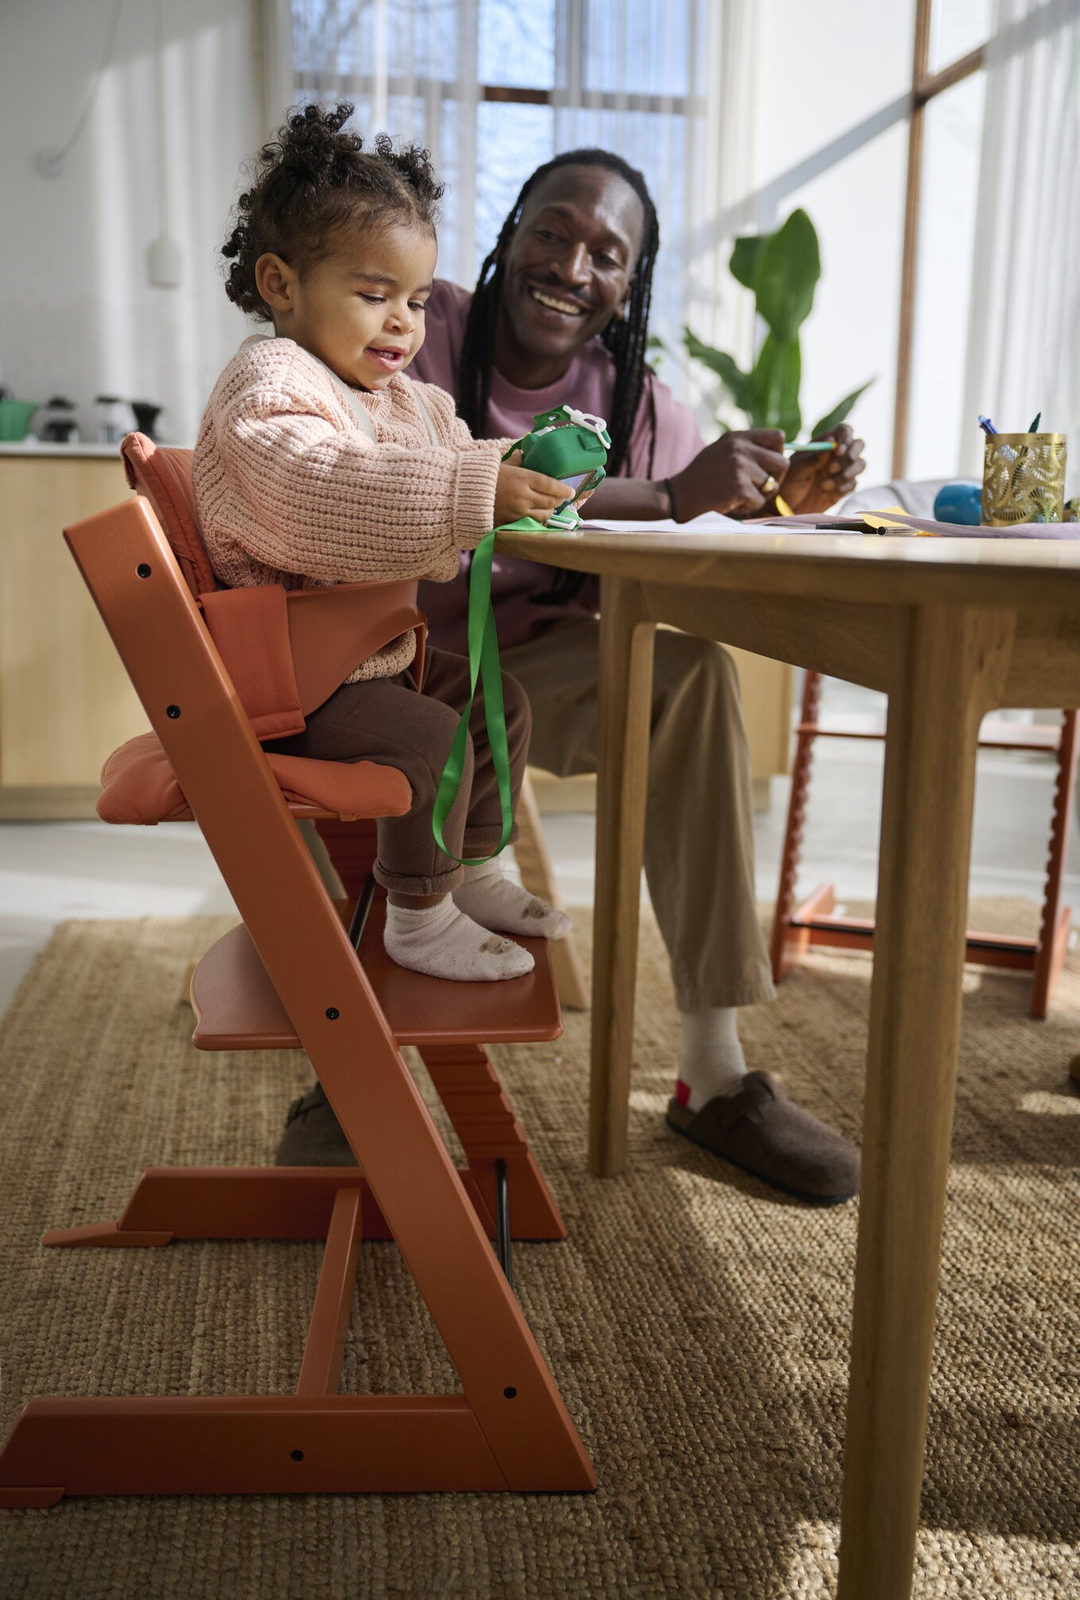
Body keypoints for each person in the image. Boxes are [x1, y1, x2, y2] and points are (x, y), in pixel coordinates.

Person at [409, 149, 866, 1205]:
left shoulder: (640, 402)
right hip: (403, 668)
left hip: (534, 685)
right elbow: (424, 472)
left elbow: (678, 556)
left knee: (691, 670)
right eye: (552, 232)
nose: (572, 265)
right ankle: (347, 1067)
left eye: (607, 256)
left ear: (632, 284)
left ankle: (715, 1074)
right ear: (512, 232)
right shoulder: (421, 325)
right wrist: (662, 496)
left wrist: (766, 500)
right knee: (380, 728)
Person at [192, 103, 578, 991]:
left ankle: (475, 869)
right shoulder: (269, 383)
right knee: (432, 734)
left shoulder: (396, 397)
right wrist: (471, 491)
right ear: (281, 285)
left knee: (498, 702)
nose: (402, 323)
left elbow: (454, 450)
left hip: (361, 656)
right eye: (373, 296)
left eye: (414, 300)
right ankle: (418, 911)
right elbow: (320, 490)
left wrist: (518, 465)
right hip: (288, 676)